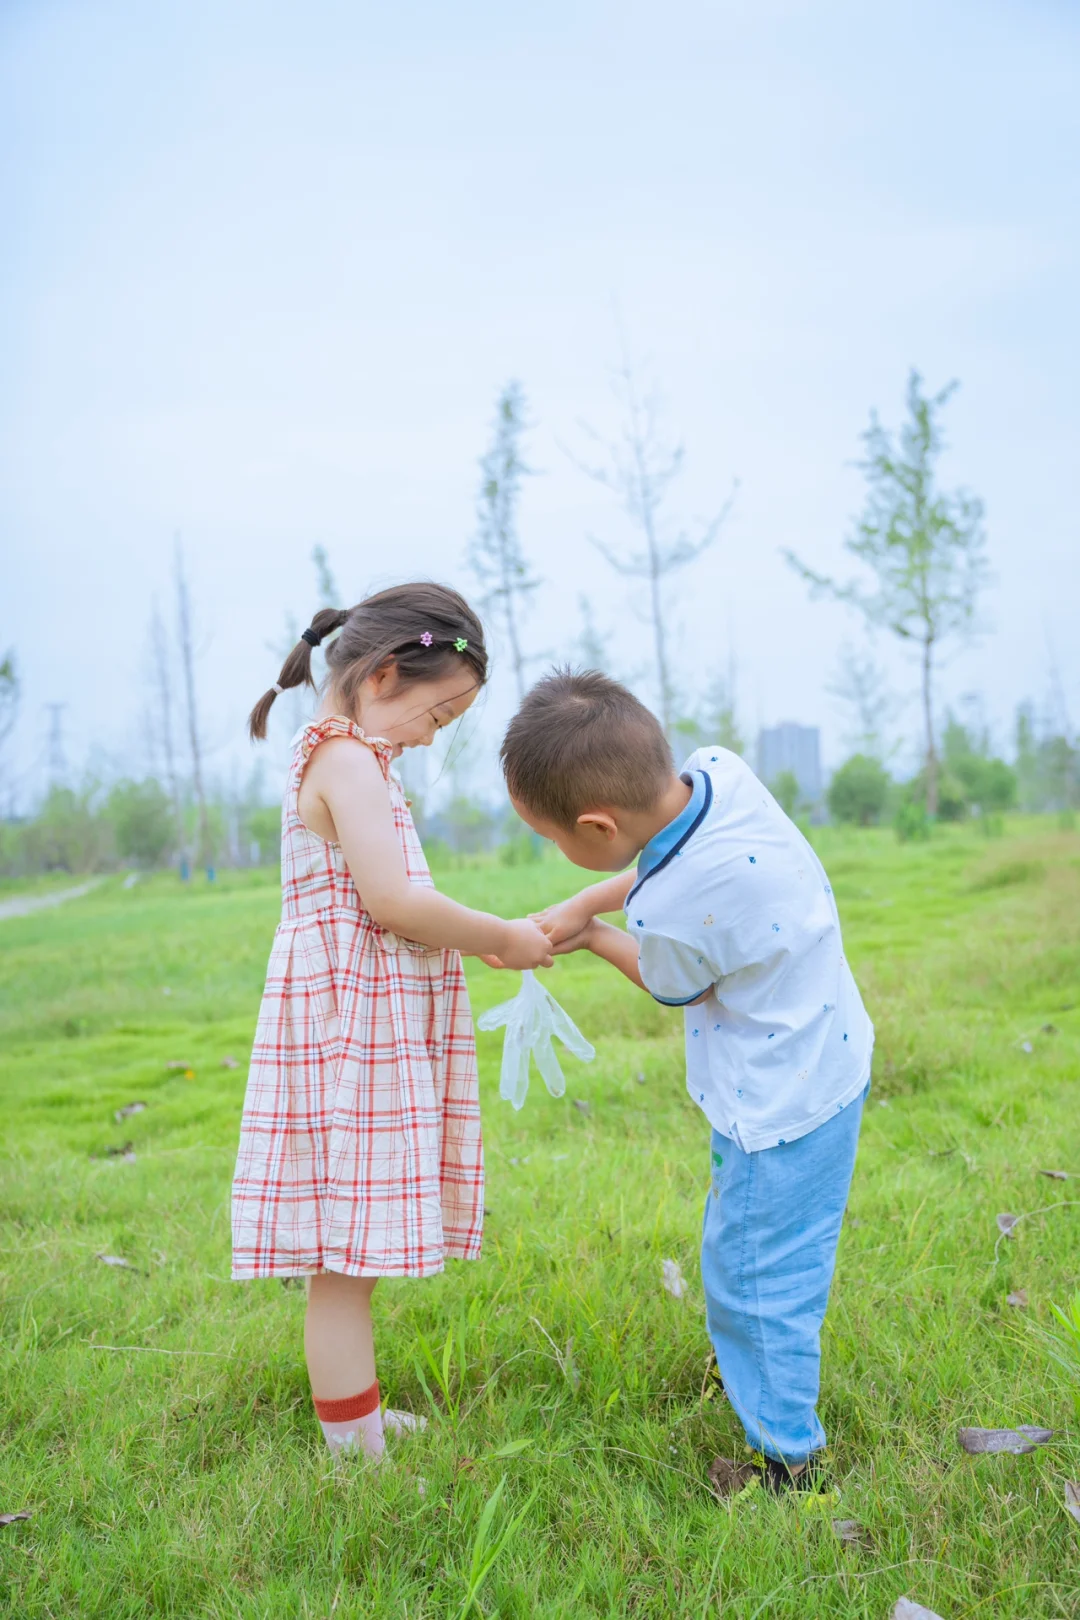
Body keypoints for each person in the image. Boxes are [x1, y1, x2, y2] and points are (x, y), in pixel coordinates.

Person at [499, 669, 873, 1491]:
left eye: (556, 840)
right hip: (832, 1054)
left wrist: (593, 935)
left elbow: (680, 980)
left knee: (750, 1275)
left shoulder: (675, 910)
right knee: (781, 1249)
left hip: (775, 1105)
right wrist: (587, 897)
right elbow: (662, 864)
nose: (558, 853)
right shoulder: (718, 775)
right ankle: (759, 1379)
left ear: (597, 824)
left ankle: (789, 1459)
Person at [231, 583, 553, 1461]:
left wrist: (476, 938)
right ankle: (354, 1454)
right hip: (350, 1031)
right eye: (437, 715)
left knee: (352, 1253)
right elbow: (391, 900)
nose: (432, 737)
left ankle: (358, 1416)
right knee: (342, 1264)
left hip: (357, 1018)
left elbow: (397, 901)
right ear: (380, 678)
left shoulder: (348, 758)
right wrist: (501, 937)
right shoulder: (346, 761)